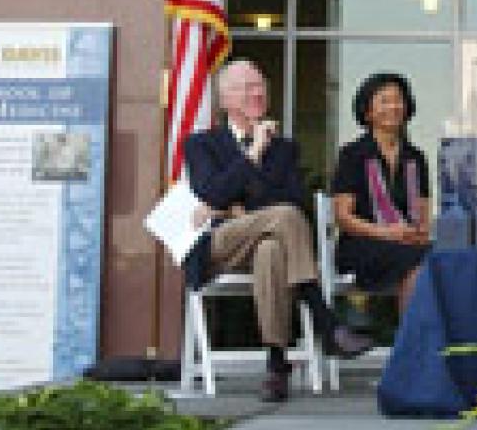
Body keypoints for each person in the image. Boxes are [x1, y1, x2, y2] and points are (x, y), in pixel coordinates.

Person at [183, 59, 373, 402]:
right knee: (281, 218)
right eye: (246, 88)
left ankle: (276, 363)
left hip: (267, 243)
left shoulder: (284, 148)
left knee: (273, 245)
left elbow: (293, 202)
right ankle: (325, 322)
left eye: (261, 87)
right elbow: (210, 192)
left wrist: (238, 205)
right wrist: (253, 154)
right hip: (219, 244)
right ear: (224, 100)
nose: (256, 93)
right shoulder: (201, 144)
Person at [331, 73, 432, 313]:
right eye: (384, 101)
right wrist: (387, 233)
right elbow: (343, 218)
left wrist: (416, 232)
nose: (394, 107)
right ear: (368, 111)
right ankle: (412, 343)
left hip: (407, 244)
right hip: (362, 245)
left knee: (442, 258)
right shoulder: (353, 154)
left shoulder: (416, 158)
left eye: (398, 100)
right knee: (419, 262)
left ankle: (420, 339)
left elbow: (423, 216)